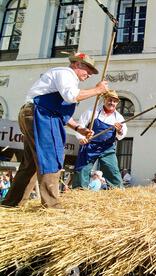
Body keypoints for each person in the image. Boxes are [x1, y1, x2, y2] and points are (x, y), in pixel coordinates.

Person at [1, 52, 108, 209]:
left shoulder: (66, 78)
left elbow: (61, 112)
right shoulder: (65, 73)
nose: (90, 74)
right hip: (41, 115)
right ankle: (52, 207)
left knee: (30, 164)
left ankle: (11, 204)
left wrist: (78, 127)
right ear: (77, 64)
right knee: (50, 157)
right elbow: (71, 96)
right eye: (89, 69)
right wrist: (97, 90)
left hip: (39, 115)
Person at [72, 90, 127, 189]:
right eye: (110, 100)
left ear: (117, 103)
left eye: (114, 101)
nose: (112, 103)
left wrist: (119, 131)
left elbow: (121, 135)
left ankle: (118, 192)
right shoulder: (92, 112)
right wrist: (81, 138)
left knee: (112, 170)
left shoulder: (118, 117)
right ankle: (79, 190)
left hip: (107, 148)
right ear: (104, 99)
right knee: (82, 170)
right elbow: (81, 125)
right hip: (90, 145)